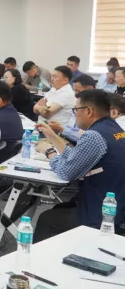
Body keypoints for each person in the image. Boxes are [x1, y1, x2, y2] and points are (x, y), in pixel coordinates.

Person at [33, 90, 125, 241]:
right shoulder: (113, 129)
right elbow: (77, 158)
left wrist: (49, 152)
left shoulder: (94, 135)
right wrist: (52, 136)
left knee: (48, 219)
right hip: (116, 203)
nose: (74, 115)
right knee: (58, 211)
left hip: (102, 213)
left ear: (88, 111)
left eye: (76, 110)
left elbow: (66, 172)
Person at [46, 73, 97, 143]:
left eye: (78, 91)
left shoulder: (93, 109)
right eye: (74, 90)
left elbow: (84, 137)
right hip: (66, 138)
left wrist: (61, 128)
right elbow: (71, 126)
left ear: (90, 88)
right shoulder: (79, 103)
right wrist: (58, 127)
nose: (75, 94)